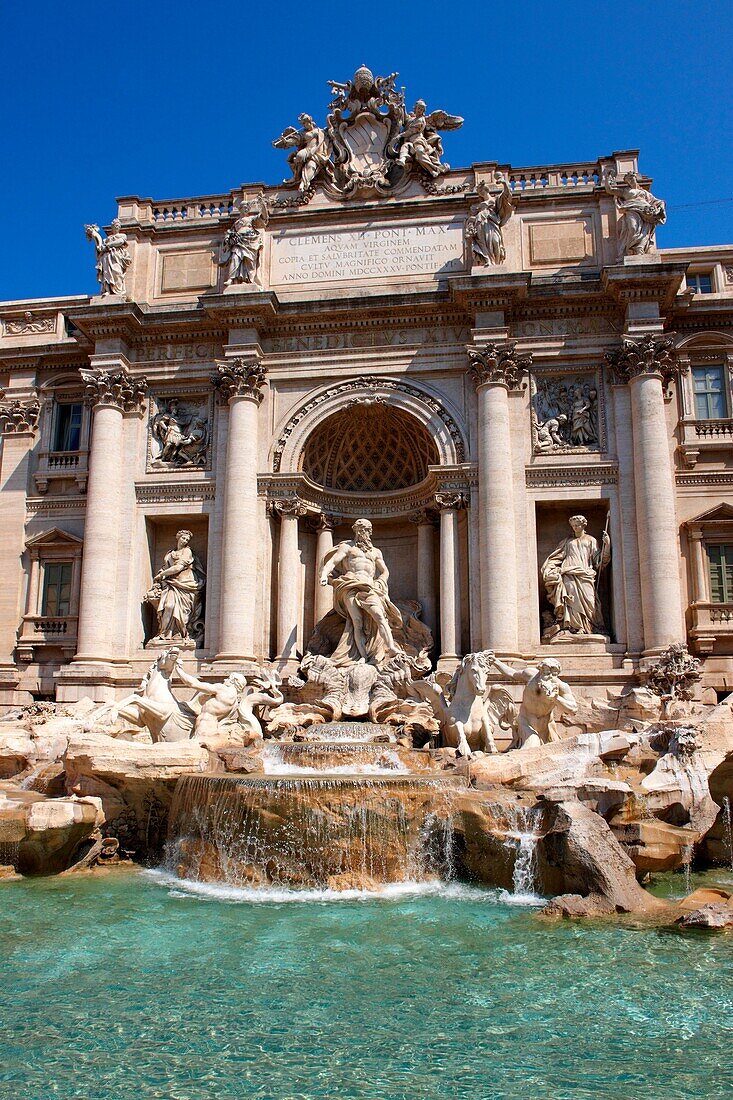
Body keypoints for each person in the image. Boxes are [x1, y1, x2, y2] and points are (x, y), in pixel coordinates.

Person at [319, 518, 403, 666]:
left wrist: (380, 582)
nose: (363, 532)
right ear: (355, 531)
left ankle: (390, 647)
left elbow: (385, 571)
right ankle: (362, 656)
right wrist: (324, 575)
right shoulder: (347, 547)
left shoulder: (376, 552)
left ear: (370, 532)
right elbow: (332, 562)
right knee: (356, 621)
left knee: (379, 615)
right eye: (360, 529)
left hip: (369, 587)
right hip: (350, 585)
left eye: (365, 530)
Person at [541, 515, 610, 637]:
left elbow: (599, 561)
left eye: (577, 525)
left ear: (584, 525)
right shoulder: (567, 542)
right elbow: (557, 557)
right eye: (573, 526)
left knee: (590, 601)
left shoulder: (591, 540)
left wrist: (607, 545)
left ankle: (590, 627)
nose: (575, 528)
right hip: (568, 573)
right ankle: (575, 628)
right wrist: (550, 568)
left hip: (585, 573)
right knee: (571, 601)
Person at [489, 654, 577, 749]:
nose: (551, 677)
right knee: (532, 744)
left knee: (556, 751)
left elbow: (573, 709)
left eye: (554, 674)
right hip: (526, 722)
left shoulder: (562, 687)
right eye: (547, 673)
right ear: (541, 670)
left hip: (546, 726)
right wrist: (495, 661)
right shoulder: (530, 675)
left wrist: (556, 699)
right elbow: (512, 673)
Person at [151, 530, 205, 642]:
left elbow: (178, 568)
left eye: (187, 540)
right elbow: (167, 567)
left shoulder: (187, 551)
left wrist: (161, 575)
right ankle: (164, 634)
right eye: (183, 538)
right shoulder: (170, 553)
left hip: (185, 584)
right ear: (178, 537)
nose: (185, 541)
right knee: (168, 606)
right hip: (171, 583)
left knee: (182, 611)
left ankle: (180, 634)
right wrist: (163, 573)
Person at [466, 175, 515, 266]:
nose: (481, 192)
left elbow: (506, 195)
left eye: (482, 190)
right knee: (482, 244)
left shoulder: (495, 199)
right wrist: (470, 223)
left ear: (486, 189)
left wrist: (504, 183)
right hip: (480, 224)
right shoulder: (478, 206)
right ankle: (487, 260)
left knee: (495, 241)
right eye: (479, 191)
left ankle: (496, 263)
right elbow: (472, 217)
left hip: (492, 224)